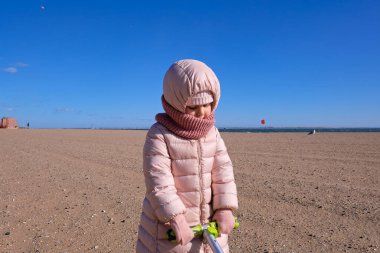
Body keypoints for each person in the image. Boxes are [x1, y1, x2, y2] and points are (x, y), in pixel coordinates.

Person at [136, 59, 238, 253]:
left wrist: (225, 208)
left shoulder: (212, 133)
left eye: (208, 104)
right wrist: (175, 217)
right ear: (176, 103)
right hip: (171, 231)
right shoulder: (159, 134)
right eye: (193, 107)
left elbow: (223, 172)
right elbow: (158, 181)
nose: (202, 113)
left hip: (209, 225)